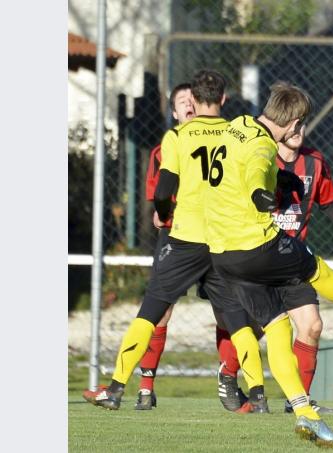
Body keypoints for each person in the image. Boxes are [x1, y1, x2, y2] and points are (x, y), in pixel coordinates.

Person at [204, 81, 333, 449]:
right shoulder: (263, 147)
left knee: (277, 326)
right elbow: (256, 171)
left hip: (223, 255)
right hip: (258, 245)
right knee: (314, 268)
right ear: (293, 124)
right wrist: (264, 194)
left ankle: (305, 414)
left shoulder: (238, 125)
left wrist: (280, 179)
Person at [82, 70, 266, 416]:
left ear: (193, 101)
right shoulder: (237, 133)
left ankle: (117, 388)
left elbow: (164, 190)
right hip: (224, 238)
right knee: (235, 316)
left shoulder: (178, 136)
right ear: (224, 99)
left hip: (186, 237)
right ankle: (257, 393)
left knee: (152, 309)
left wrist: (164, 211)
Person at [221, 123, 333, 413]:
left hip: (292, 261)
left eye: (301, 123)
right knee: (255, 327)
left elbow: (330, 203)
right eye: (291, 123)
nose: (296, 129)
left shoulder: (314, 162)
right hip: (259, 255)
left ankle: (298, 402)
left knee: (312, 325)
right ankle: (228, 373)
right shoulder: (259, 155)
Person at [133, 82, 197, 410]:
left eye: (193, 100)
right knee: (161, 311)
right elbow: (155, 196)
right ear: (174, 112)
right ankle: (145, 388)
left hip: (213, 234)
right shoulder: (164, 150)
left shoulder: (221, 144)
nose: (189, 105)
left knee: (231, 309)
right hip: (174, 236)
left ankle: (234, 384)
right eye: (182, 102)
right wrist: (163, 213)